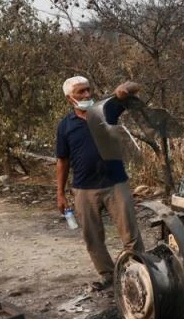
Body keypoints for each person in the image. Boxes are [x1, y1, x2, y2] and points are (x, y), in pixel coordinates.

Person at [55, 76, 143, 291]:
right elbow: (62, 160)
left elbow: (135, 87)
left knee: (130, 234)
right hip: (84, 188)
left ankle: (140, 272)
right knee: (92, 237)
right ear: (69, 98)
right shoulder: (65, 126)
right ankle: (107, 275)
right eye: (80, 92)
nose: (86, 95)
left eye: (88, 90)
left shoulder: (106, 110)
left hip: (116, 183)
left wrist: (123, 89)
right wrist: (60, 193)